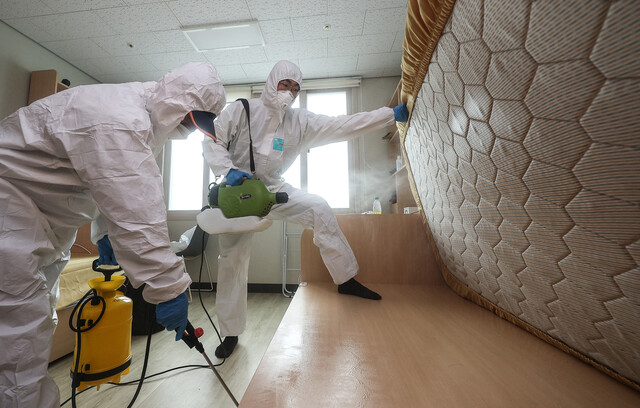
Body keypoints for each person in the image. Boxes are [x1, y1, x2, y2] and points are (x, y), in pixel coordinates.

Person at [0, 62, 226, 408]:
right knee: (21, 322)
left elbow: (113, 187)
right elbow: (138, 210)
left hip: (40, 212)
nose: (190, 129)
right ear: (176, 101)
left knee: (37, 311)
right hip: (10, 201)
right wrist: (169, 289)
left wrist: (105, 232)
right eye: (190, 119)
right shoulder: (121, 120)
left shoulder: (145, 121)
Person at [203, 60, 409, 358]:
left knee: (318, 207)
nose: (290, 92)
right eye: (285, 85)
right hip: (239, 194)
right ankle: (231, 332)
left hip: (274, 190)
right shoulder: (241, 110)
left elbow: (343, 124)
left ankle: (346, 279)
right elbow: (212, 140)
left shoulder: (300, 122)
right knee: (232, 260)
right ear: (272, 82)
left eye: (296, 89)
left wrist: (389, 115)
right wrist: (226, 169)